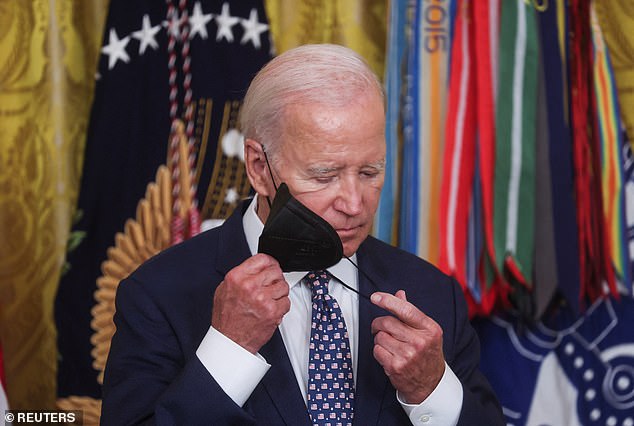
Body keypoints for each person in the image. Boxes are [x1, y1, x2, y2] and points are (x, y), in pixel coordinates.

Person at [101, 44, 504, 425]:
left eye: (370, 172)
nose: (353, 203)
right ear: (259, 167)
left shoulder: (432, 294)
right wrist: (228, 351)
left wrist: (432, 391)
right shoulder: (158, 296)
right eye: (324, 175)